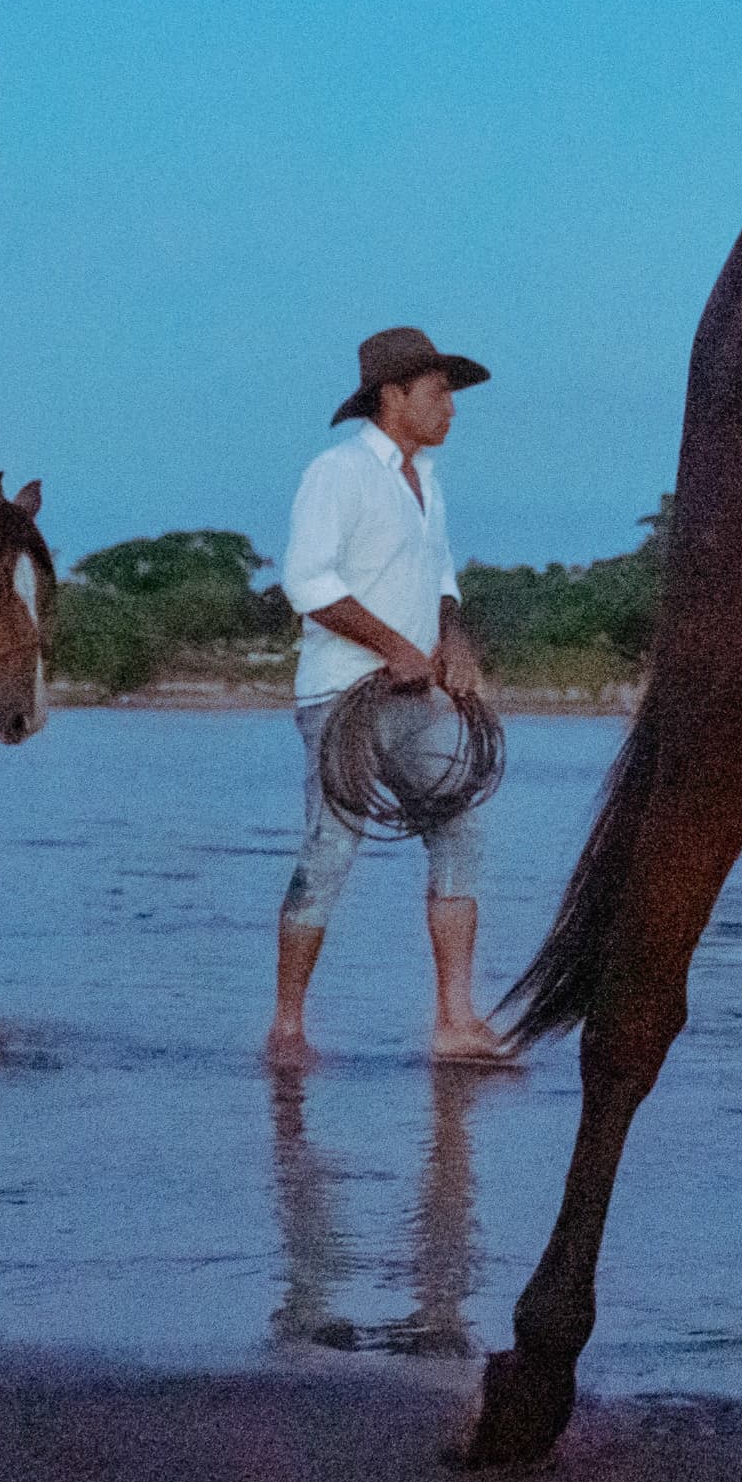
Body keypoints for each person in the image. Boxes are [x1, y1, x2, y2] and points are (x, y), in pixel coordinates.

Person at [273, 327, 513, 1067]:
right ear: (393, 396)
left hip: (414, 695)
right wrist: (394, 647)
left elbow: (441, 580)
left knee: (461, 829)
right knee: (331, 850)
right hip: (343, 696)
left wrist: (453, 640)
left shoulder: (426, 482)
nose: (450, 407)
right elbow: (308, 583)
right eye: (438, 392)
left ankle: (454, 1021)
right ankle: (287, 1029)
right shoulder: (337, 471)